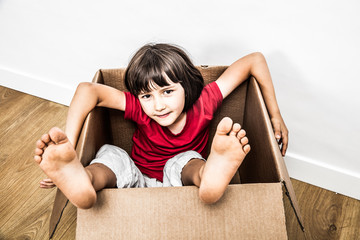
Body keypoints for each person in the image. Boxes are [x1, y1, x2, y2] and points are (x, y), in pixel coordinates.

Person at [34, 43, 288, 209]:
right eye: (147, 96)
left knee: (186, 160)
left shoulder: (204, 102)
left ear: (186, 86)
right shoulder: (142, 110)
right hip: (134, 179)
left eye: (167, 91)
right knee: (113, 156)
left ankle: (208, 178)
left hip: (179, 185)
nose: (158, 106)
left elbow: (255, 60)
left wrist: (275, 116)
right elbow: (87, 90)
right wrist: (72, 150)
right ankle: (83, 180)